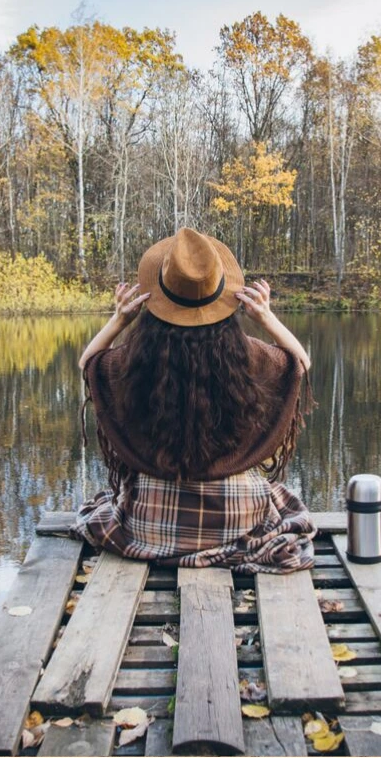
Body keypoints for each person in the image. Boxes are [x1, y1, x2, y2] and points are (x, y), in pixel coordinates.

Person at [74, 227, 316, 574]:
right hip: (238, 520)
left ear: (155, 299)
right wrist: (266, 317)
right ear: (224, 298)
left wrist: (119, 319)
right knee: (279, 498)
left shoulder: (133, 361)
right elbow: (300, 365)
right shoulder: (249, 357)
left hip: (152, 525)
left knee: (103, 507)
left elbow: (88, 365)